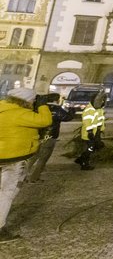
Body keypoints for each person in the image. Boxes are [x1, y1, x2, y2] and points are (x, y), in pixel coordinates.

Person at [0, 88, 53, 242]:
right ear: (26, 101)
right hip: (14, 158)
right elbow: (45, 121)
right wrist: (43, 105)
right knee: (7, 192)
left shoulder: (3, 108)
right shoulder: (21, 113)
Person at [25, 94, 72, 183]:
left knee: (33, 157)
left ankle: (22, 177)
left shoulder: (39, 108)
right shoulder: (56, 109)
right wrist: (72, 110)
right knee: (43, 159)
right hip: (49, 137)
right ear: (56, 100)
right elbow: (68, 117)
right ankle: (34, 178)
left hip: (38, 136)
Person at [75, 91, 106, 171]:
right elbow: (87, 122)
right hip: (89, 134)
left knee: (92, 147)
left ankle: (80, 159)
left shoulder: (99, 109)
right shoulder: (89, 110)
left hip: (96, 133)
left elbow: (100, 120)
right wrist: (90, 132)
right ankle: (84, 164)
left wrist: (100, 130)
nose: (102, 102)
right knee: (90, 148)